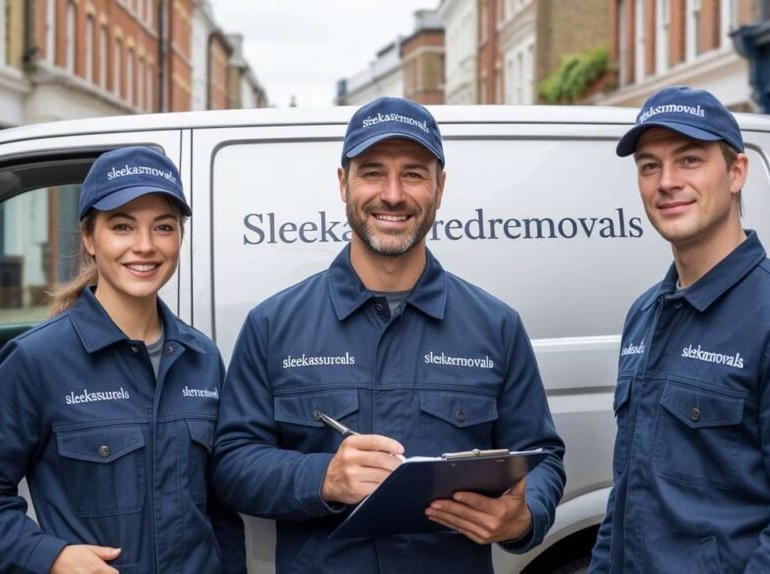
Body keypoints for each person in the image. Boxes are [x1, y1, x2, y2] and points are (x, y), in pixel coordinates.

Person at [211, 97, 566, 573]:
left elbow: (543, 458)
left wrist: (523, 518)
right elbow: (231, 464)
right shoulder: (274, 325)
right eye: (373, 172)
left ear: (440, 187)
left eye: (413, 174)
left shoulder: (495, 326)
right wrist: (323, 477)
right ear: (344, 183)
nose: (393, 194)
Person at [589, 86, 770, 573]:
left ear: (737, 172)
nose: (666, 182)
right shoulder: (645, 314)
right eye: (649, 166)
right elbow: (627, 494)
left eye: (690, 160)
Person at [0, 147, 245, 574]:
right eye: (123, 226)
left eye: (163, 227)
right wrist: (50, 557)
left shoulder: (202, 358)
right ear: (89, 237)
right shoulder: (37, 360)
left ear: (179, 237)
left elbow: (220, 513)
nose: (145, 246)